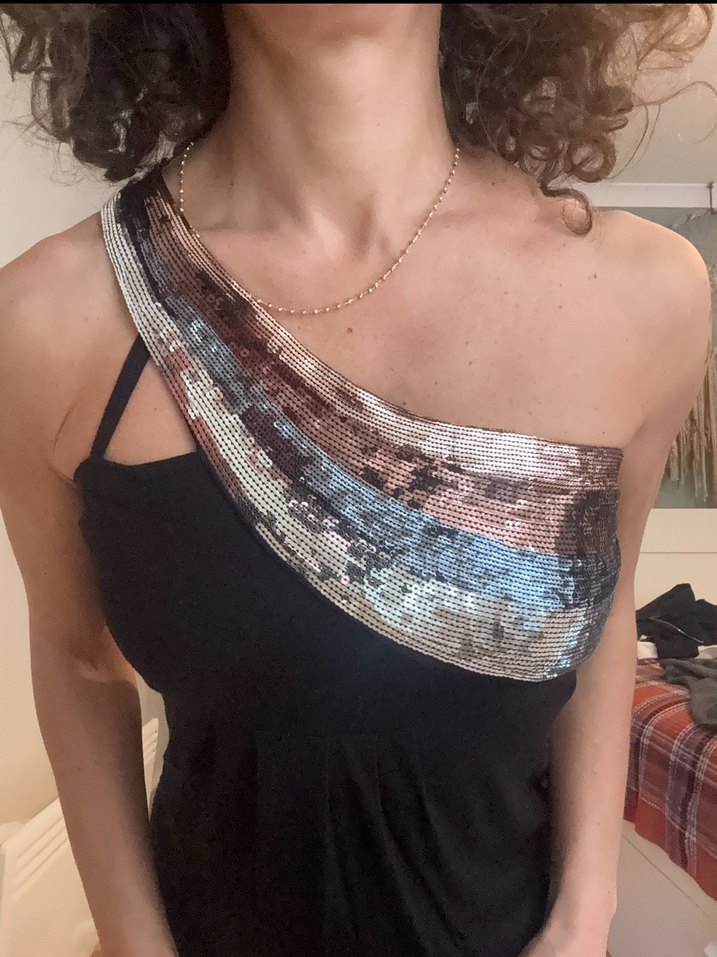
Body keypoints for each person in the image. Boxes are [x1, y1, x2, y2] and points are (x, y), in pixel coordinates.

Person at [0, 4, 713, 956]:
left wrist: (585, 914)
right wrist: (136, 944)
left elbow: (606, 605)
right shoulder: (47, 323)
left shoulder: (646, 294)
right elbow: (78, 658)